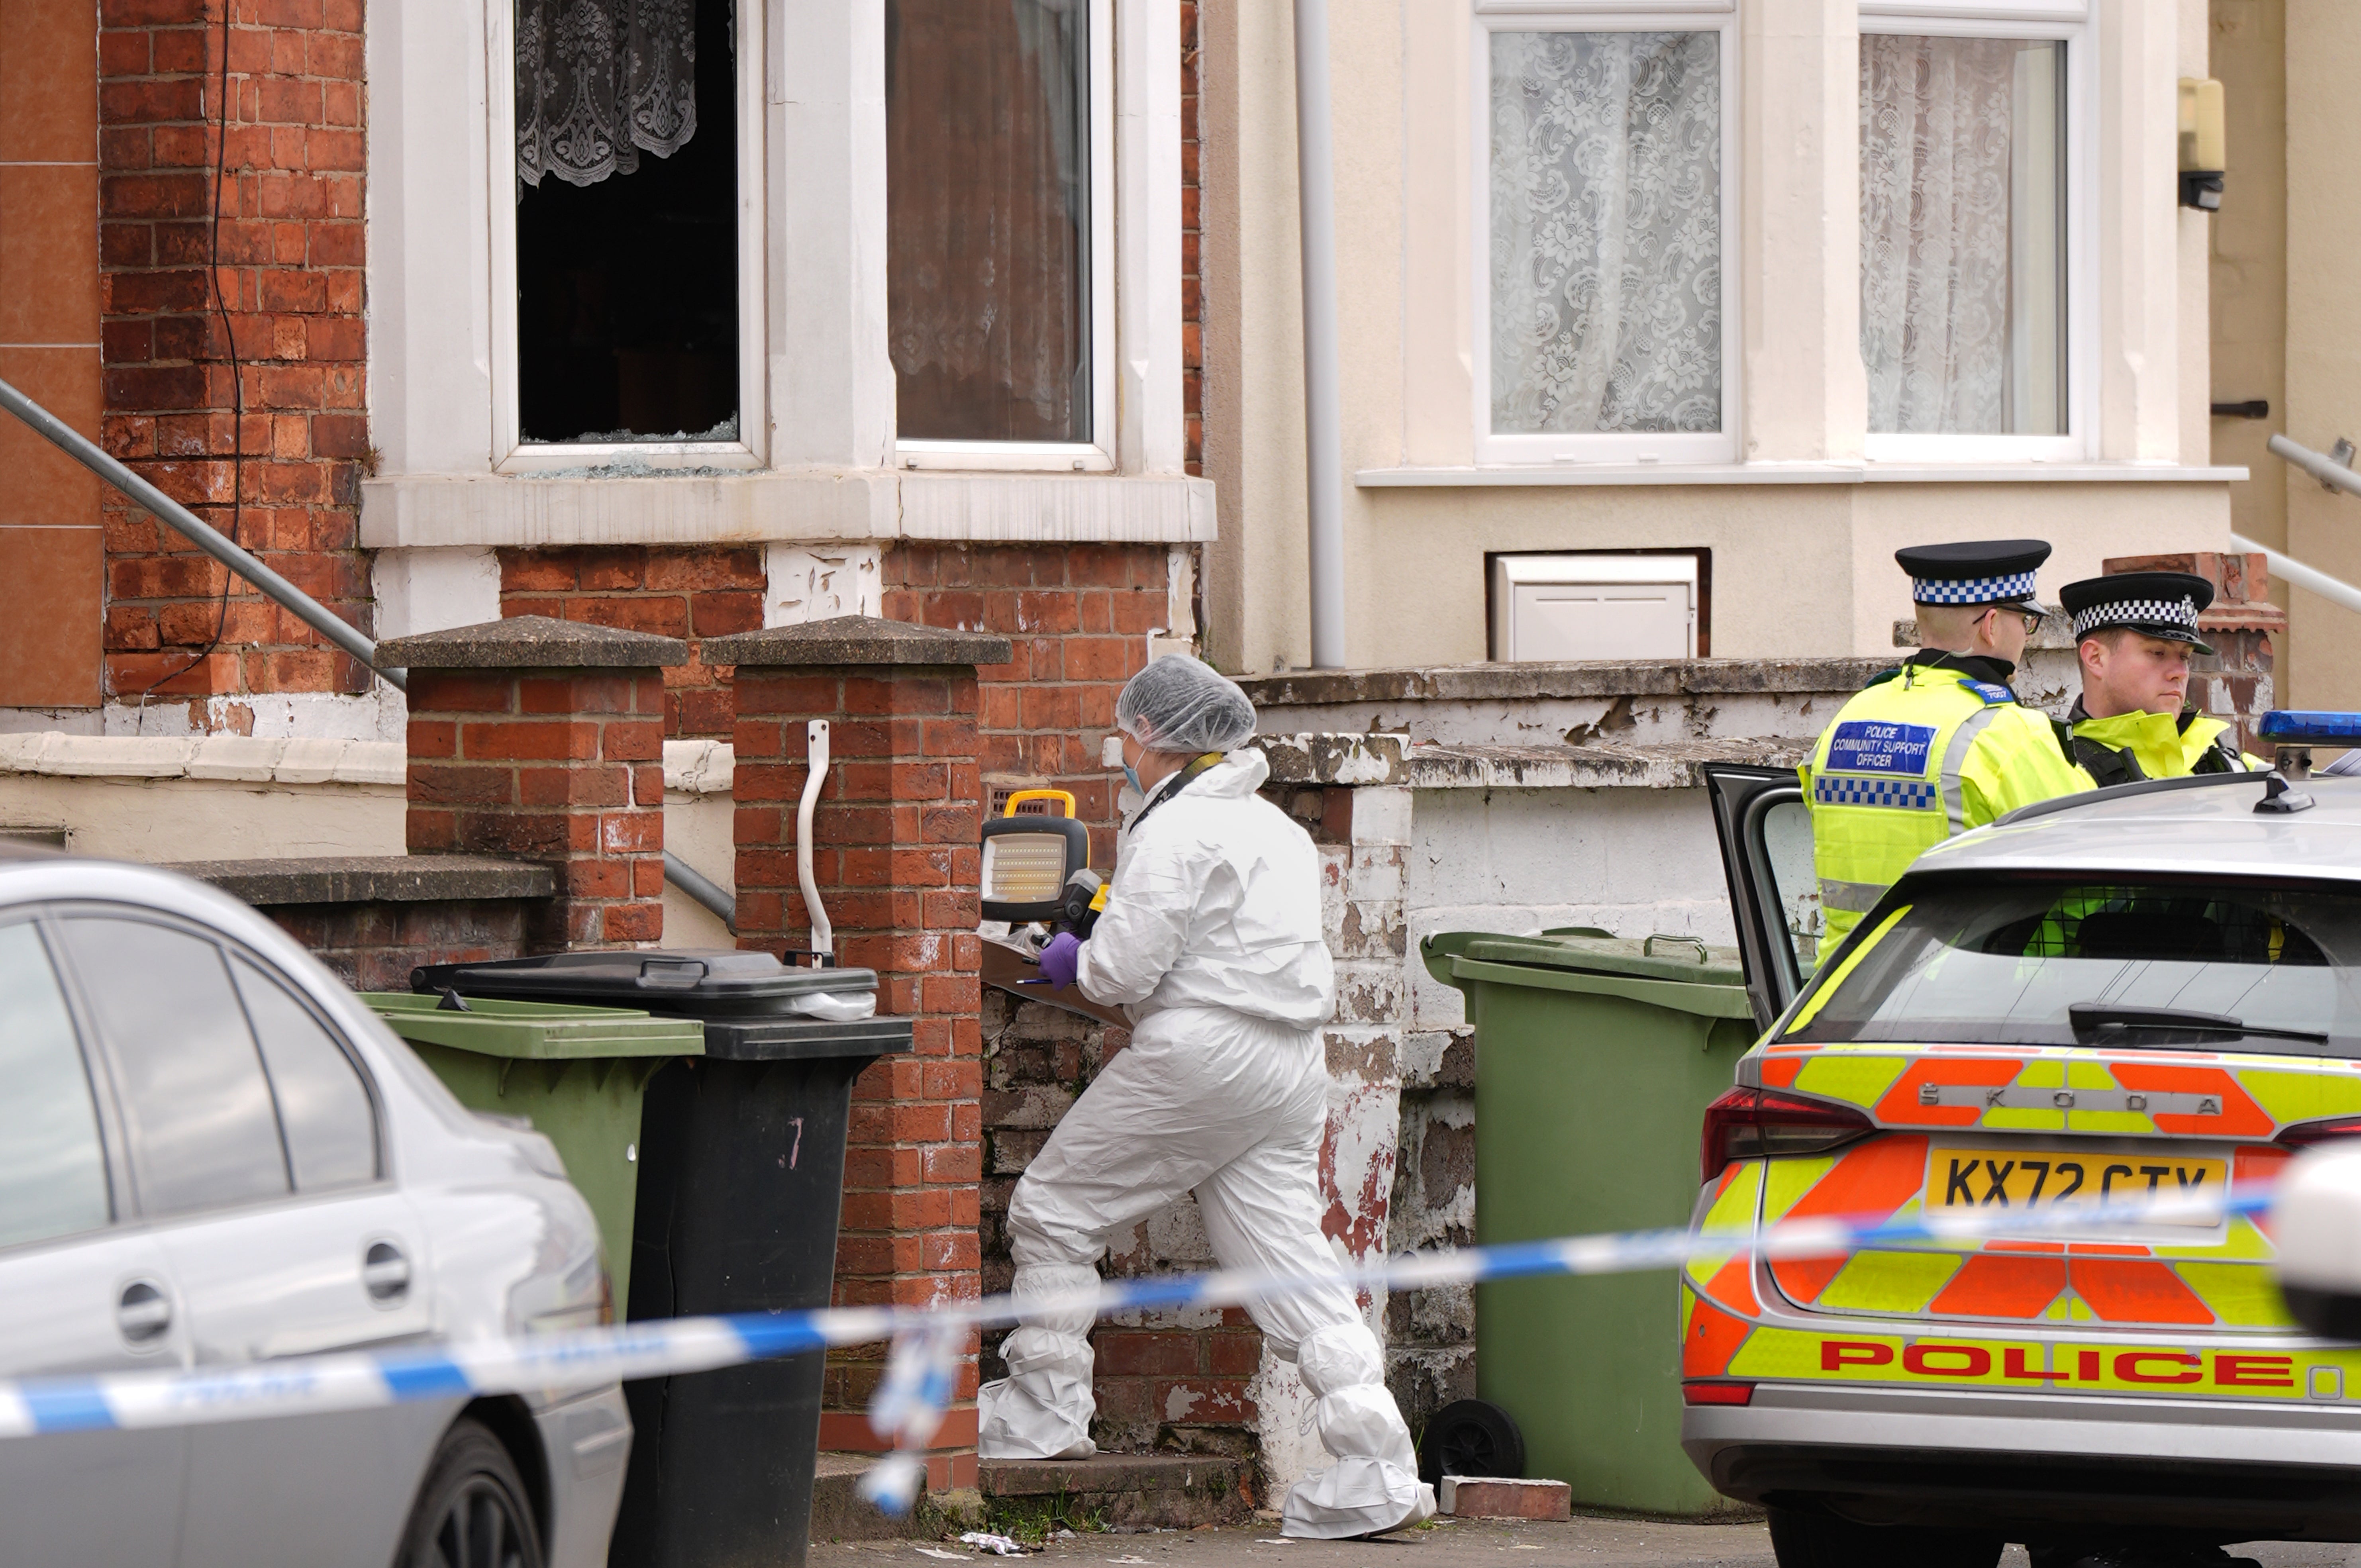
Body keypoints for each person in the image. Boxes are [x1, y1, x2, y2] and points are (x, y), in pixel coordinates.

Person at [976, 653, 1434, 1541]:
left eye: (1124, 732)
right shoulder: (1276, 832)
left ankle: (1044, 1414)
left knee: (1052, 1213)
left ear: (1152, 736)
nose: (1119, 747)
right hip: (1291, 1063)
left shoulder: (1174, 830)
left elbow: (1126, 969)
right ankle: (1376, 1467)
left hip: (1202, 1052)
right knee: (1290, 1263)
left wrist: (1078, 956)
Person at [1803, 541, 2091, 953]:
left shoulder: (1848, 718)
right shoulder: (2007, 732)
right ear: (1991, 625)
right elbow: (2089, 867)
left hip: (1844, 996)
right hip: (1964, 997)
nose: (2025, 637)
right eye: (2025, 622)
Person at [2053, 572, 2268, 784]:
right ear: (2096, 658)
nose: (2181, 672)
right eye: (2158, 653)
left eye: (2185, 656)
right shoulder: (2060, 772)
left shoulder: (2222, 761)